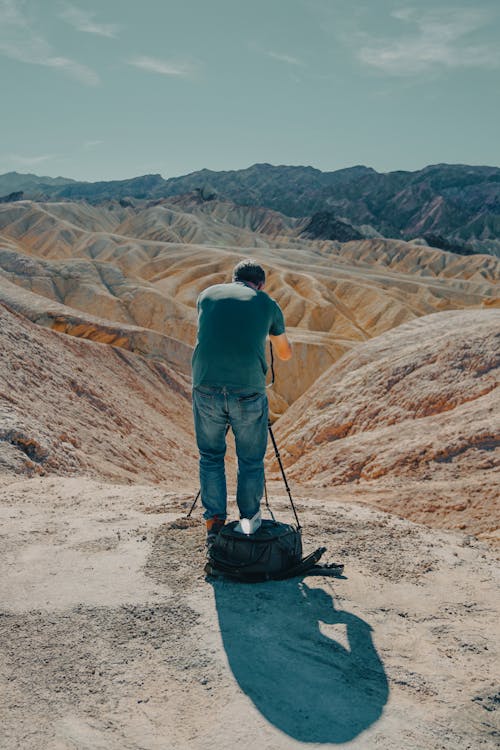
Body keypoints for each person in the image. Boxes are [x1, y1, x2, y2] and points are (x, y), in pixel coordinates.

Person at [192, 258, 292, 549]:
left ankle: (214, 526)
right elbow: (284, 354)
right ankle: (249, 522)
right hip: (248, 390)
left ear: (233, 279)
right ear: (259, 284)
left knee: (210, 456)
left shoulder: (207, 295)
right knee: (249, 460)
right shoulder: (266, 302)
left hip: (205, 385)